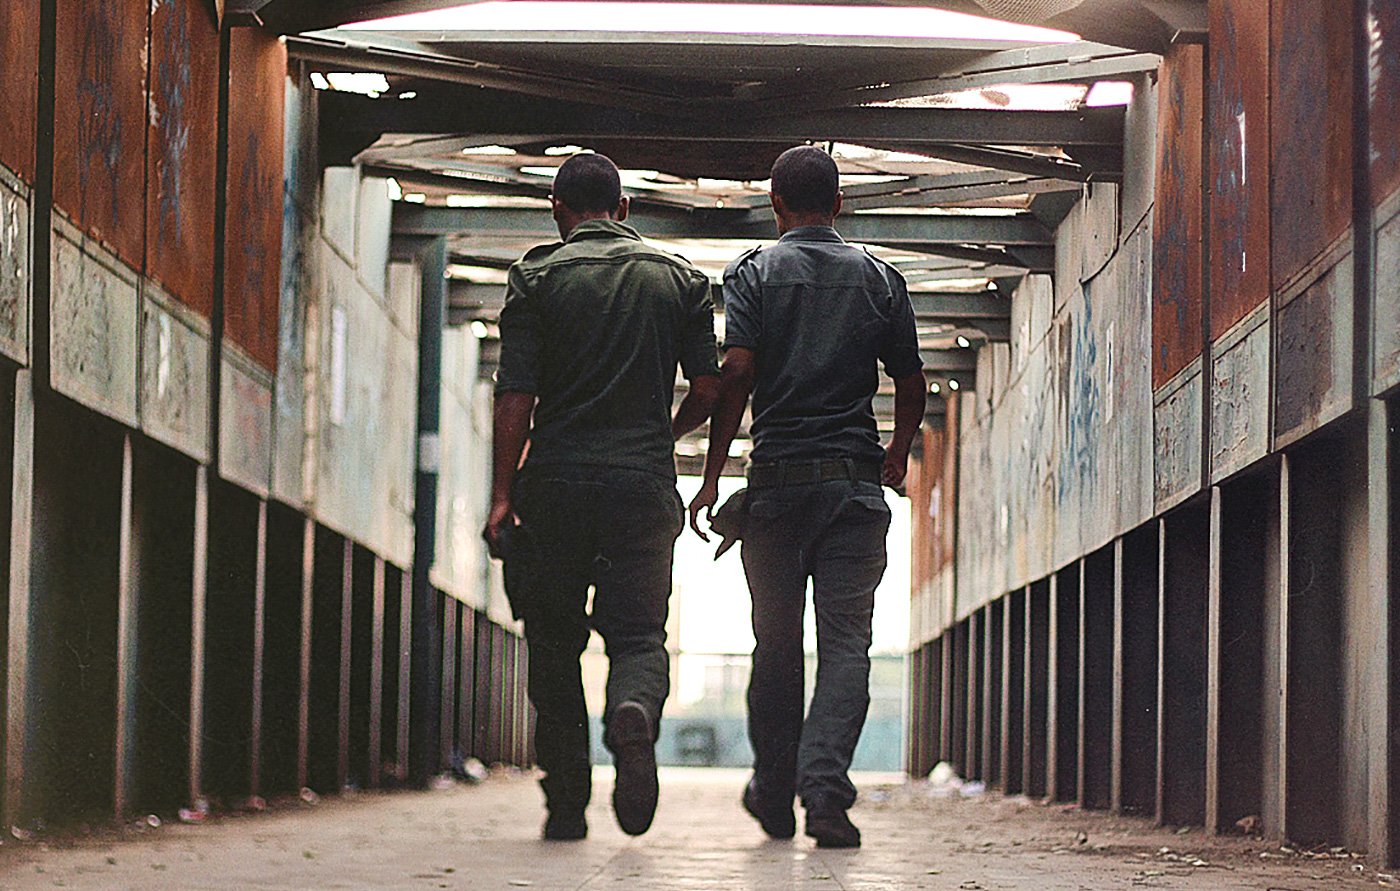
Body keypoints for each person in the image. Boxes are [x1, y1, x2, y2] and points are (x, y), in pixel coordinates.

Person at [688, 145, 926, 849]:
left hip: (779, 496)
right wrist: (897, 450)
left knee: (777, 647)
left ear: (775, 204)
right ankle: (825, 794)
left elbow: (735, 375)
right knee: (847, 646)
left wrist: (711, 474)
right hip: (854, 491)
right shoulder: (881, 278)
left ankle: (772, 788)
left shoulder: (755, 272)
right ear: (841, 205)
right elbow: (910, 383)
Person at [484, 152, 720, 841]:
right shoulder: (680, 280)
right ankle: (634, 708)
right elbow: (708, 391)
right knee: (641, 633)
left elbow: (516, 394)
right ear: (623, 210)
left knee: (552, 641)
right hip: (642, 487)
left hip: (554, 484)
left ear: (558, 211)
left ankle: (565, 804)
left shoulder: (534, 277)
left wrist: (502, 494)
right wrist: (659, 434)